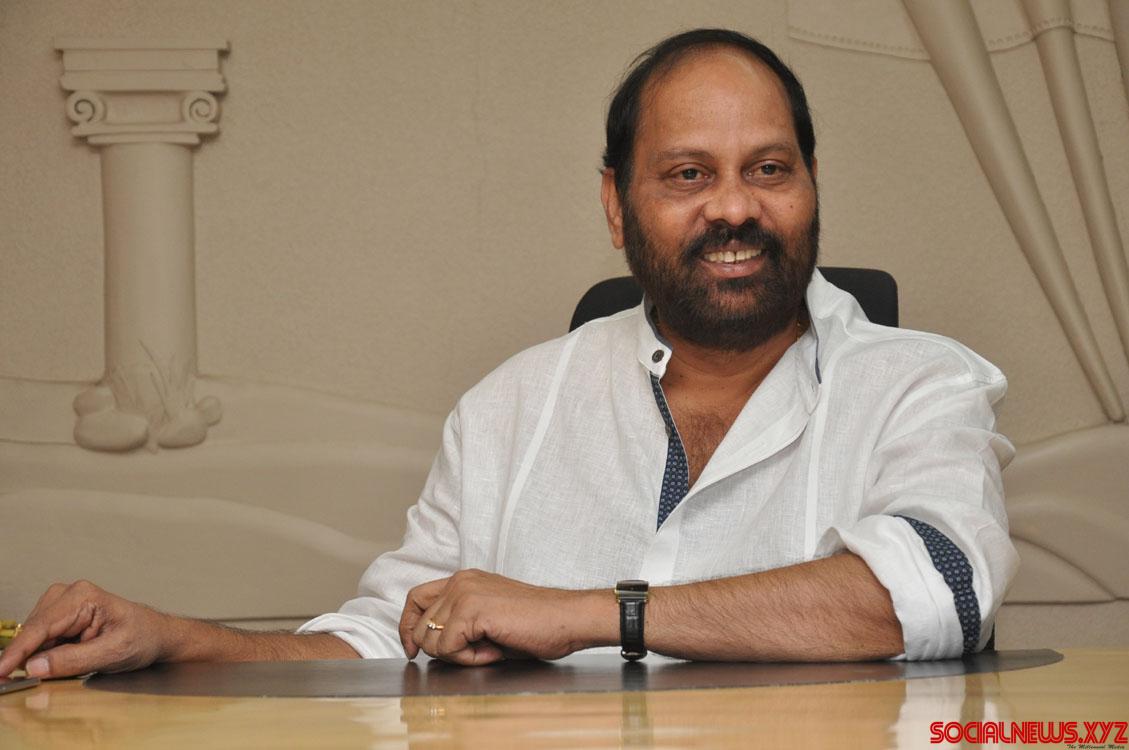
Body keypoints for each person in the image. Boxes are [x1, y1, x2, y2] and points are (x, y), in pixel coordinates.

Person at [0, 28, 1017, 679]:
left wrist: (586, 615)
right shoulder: (511, 405)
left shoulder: (921, 384)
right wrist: (177, 639)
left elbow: (936, 593)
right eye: (686, 173)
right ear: (616, 205)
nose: (735, 207)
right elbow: (385, 642)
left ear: (809, 184)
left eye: (768, 168)